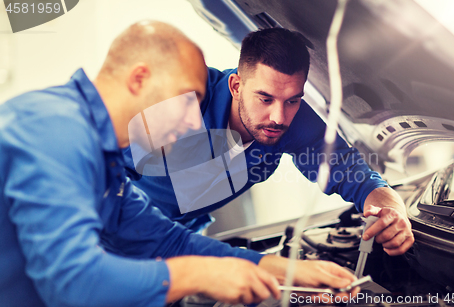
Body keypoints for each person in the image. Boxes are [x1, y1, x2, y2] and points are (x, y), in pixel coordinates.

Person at [0, 21, 358, 307]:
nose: (192, 123)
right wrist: (195, 276)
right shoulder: (52, 128)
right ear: (139, 78)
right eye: (188, 98)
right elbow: (72, 284)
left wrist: (286, 269)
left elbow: (167, 241)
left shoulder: (100, 154)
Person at [123, 27, 414, 256]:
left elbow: (356, 175)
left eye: (292, 100)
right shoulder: (184, 102)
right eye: (265, 98)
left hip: (182, 240)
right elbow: (101, 171)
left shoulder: (295, 122)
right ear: (236, 86)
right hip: (115, 229)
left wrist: (394, 212)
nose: (279, 117)